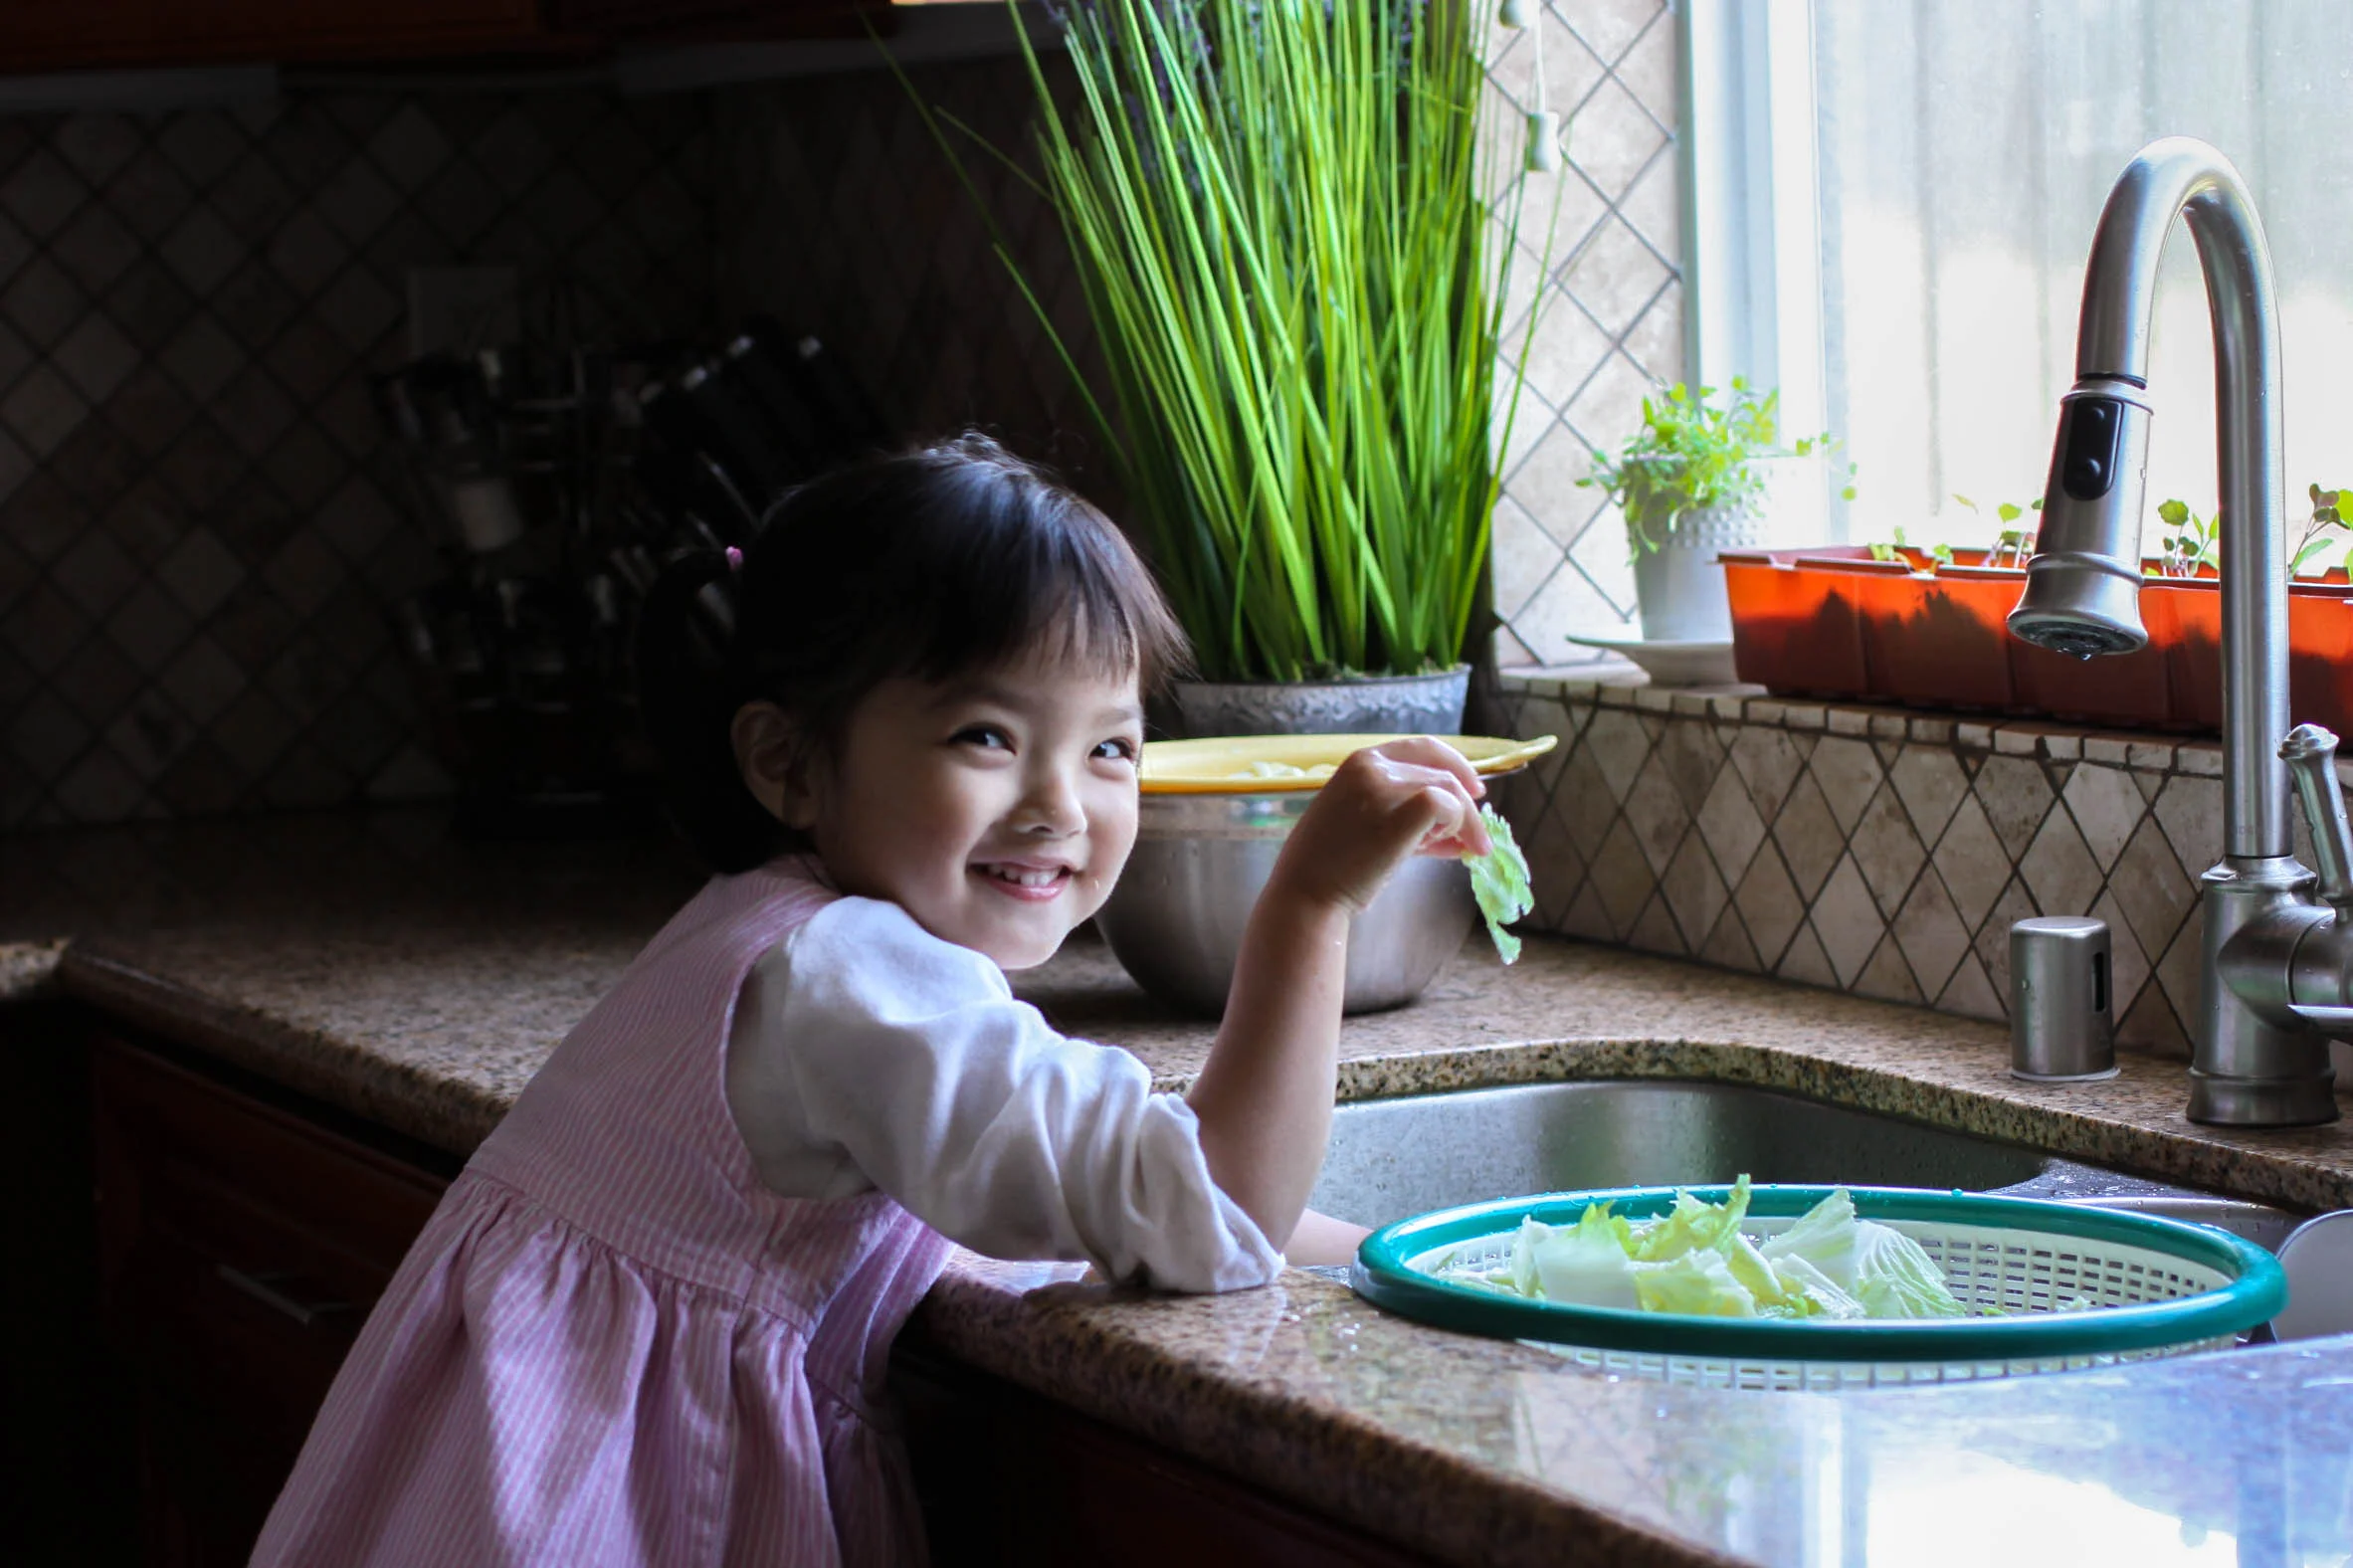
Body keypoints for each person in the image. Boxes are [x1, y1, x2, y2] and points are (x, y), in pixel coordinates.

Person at [251, 433, 1492, 1566]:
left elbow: (1172, 1203)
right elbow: (1211, 1207)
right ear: (787, 762)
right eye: (986, 737)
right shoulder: (849, 979)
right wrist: (1309, 904)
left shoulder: (775, 927)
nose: (1061, 802)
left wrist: (1429, 1259)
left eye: (1110, 745)